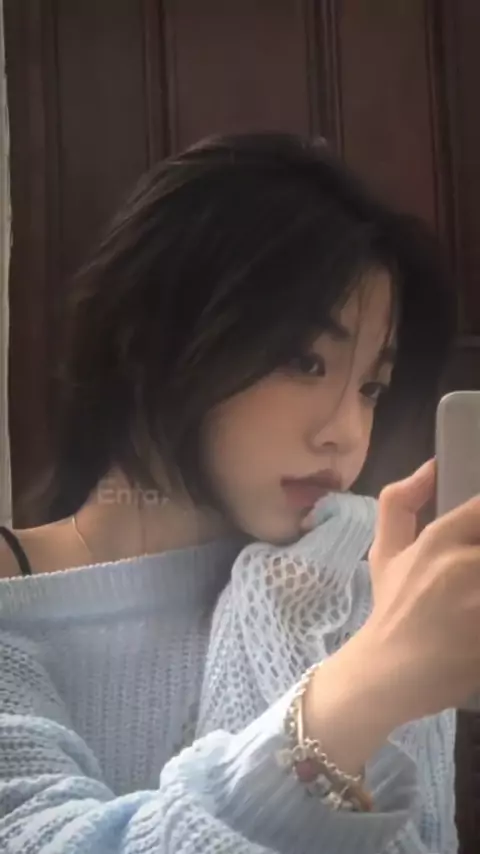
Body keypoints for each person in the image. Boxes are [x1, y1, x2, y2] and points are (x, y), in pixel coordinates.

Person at [0, 132, 477, 854]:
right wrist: (357, 696)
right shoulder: (14, 602)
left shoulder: (364, 595)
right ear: (151, 339)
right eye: (305, 362)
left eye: (371, 387)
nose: (347, 433)